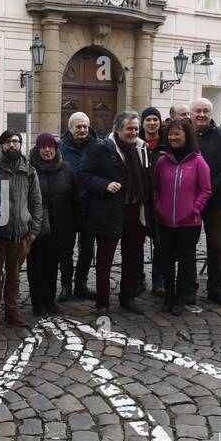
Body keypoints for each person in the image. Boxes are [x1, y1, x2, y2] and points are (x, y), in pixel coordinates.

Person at [80, 111, 150, 312]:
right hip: (109, 211)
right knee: (104, 260)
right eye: (129, 128)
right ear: (118, 129)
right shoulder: (101, 148)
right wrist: (104, 185)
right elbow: (84, 174)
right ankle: (102, 302)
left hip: (135, 210)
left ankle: (127, 296)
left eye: (136, 128)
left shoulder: (142, 148)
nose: (134, 132)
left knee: (133, 257)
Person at [151, 120, 212, 315]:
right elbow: (155, 188)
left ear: (187, 136)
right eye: (170, 134)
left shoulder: (197, 161)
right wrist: (158, 206)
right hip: (166, 220)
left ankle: (180, 297)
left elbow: (206, 189)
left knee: (186, 260)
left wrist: (195, 208)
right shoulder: (162, 161)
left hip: (189, 222)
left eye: (178, 134)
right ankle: (169, 295)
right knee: (167, 259)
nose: (173, 138)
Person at [0, 131, 43, 328]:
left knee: (14, 276)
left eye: (16, 142)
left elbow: (36, 201)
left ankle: (12, 310)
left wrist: (34, 230)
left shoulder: (29, 170)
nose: (13, 145)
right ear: (1, 146)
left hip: (21, 234)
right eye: (8, 142)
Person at [190, 98, 221, 306]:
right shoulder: (184, 134)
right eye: (198, 111)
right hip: (189, 201)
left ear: (211, 113)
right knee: (187, 247)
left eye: (206, 111)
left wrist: (211, 187)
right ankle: (188, 287)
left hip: (216, 201)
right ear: (191, 113)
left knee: (217, 247)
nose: (202, 114)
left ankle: (216, 288)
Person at [27, 133, 78, 316]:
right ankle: (37, 303)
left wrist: (74, 222)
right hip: (37, 227)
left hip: (60, 226)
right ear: (38, 148)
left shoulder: (65, 168)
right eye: (43, 147)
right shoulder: (30, 169)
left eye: (51, 147)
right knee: (35, 267)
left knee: (52, 266)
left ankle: (50, 299)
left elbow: (75, 194)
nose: (47, 150)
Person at [59, 111, 99, 301]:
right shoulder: (60, 148)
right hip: (67, 207)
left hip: (91, 206)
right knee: (65, 249)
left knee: (88, 248)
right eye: (78, 126)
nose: (83, 130)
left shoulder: (98, 146)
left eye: (85, 126)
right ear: (70, 128)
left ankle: (81, 283)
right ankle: (65, 285)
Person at [140, 107, 166, 296]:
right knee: (136, 243)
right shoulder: (136, 144)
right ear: (142, 123)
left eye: (155, 119)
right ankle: (138, 278)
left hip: (161, 200)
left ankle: (159, 280)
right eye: (148, 119)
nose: (152, 123)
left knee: (161, 244)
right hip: (140, 201)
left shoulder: (167, 144)